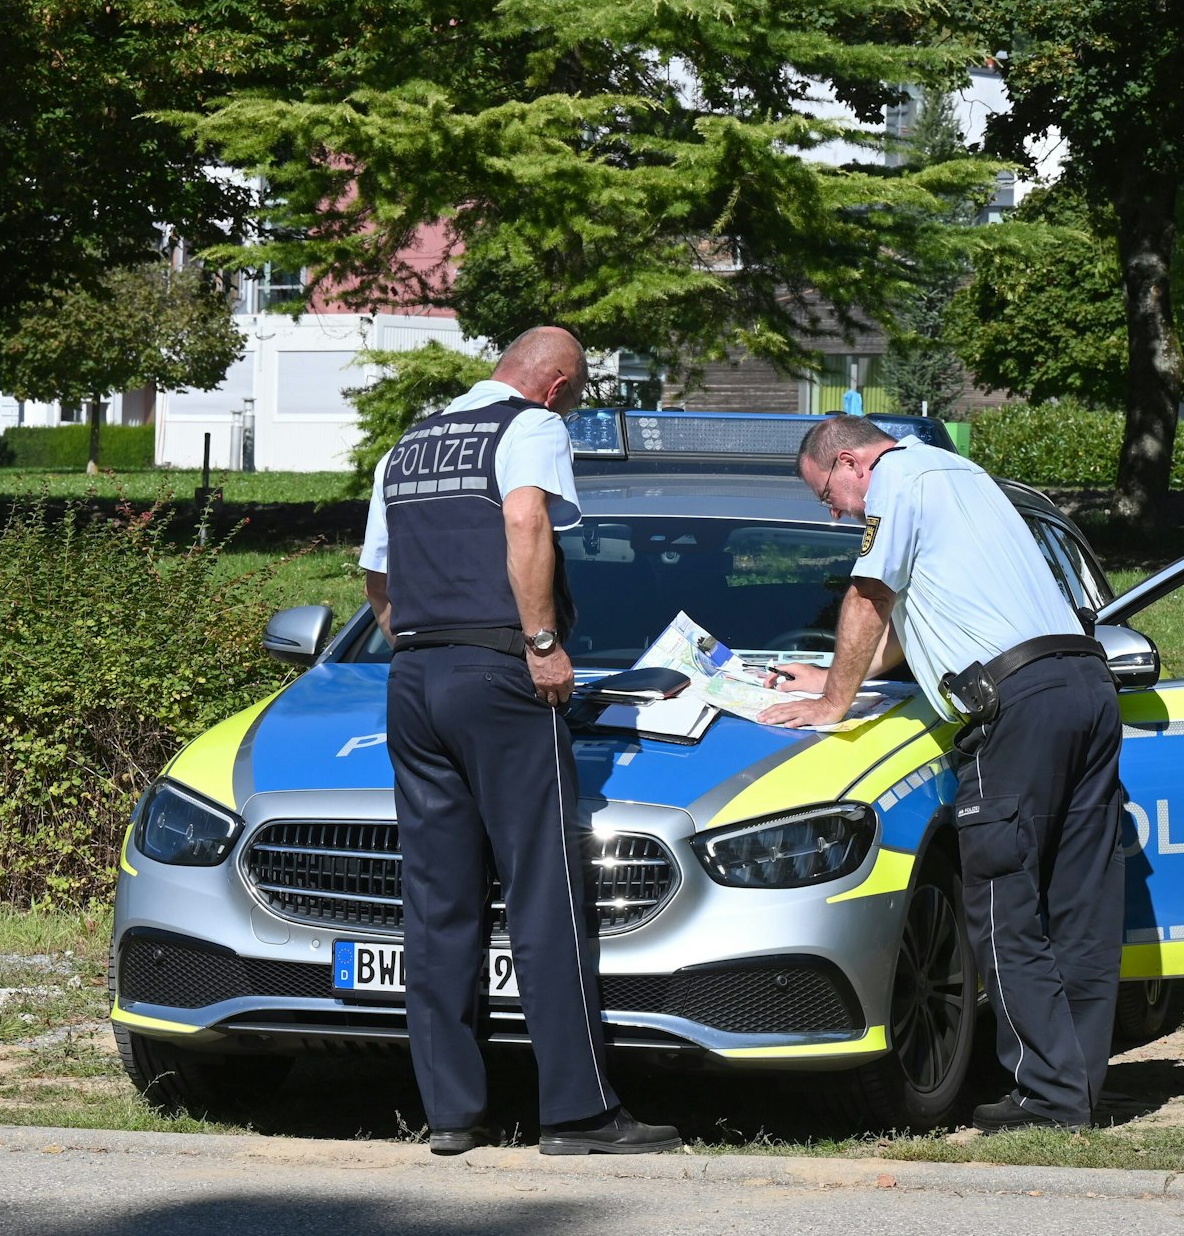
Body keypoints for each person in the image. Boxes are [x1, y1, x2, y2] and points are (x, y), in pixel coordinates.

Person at [359, 326, 679, 1157]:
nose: (569, 409)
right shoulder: (528, 427)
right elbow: (525, 520)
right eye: (573, 397)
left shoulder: (410, 445)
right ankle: (579, 1113)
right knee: (542, 891)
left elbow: (376, 574)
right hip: (498, 671)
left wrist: (422, 647)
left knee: (438, 900)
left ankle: (452, 1113)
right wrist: (541, 645)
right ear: (555, 384)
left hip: (415, 677)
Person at [758, 414, 1126, 1131]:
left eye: (826, 494)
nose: (833, 511)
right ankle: (1076, 1090)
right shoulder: (962, 476)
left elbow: (869, 596)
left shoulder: (897, 480)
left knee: (1005, 899)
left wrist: (832, 703)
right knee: (1080, 903)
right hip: (1083, 686)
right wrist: (833, 673)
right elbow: (910, 611)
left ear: (851, 461)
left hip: (1015, 709)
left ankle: (1045, 1098)